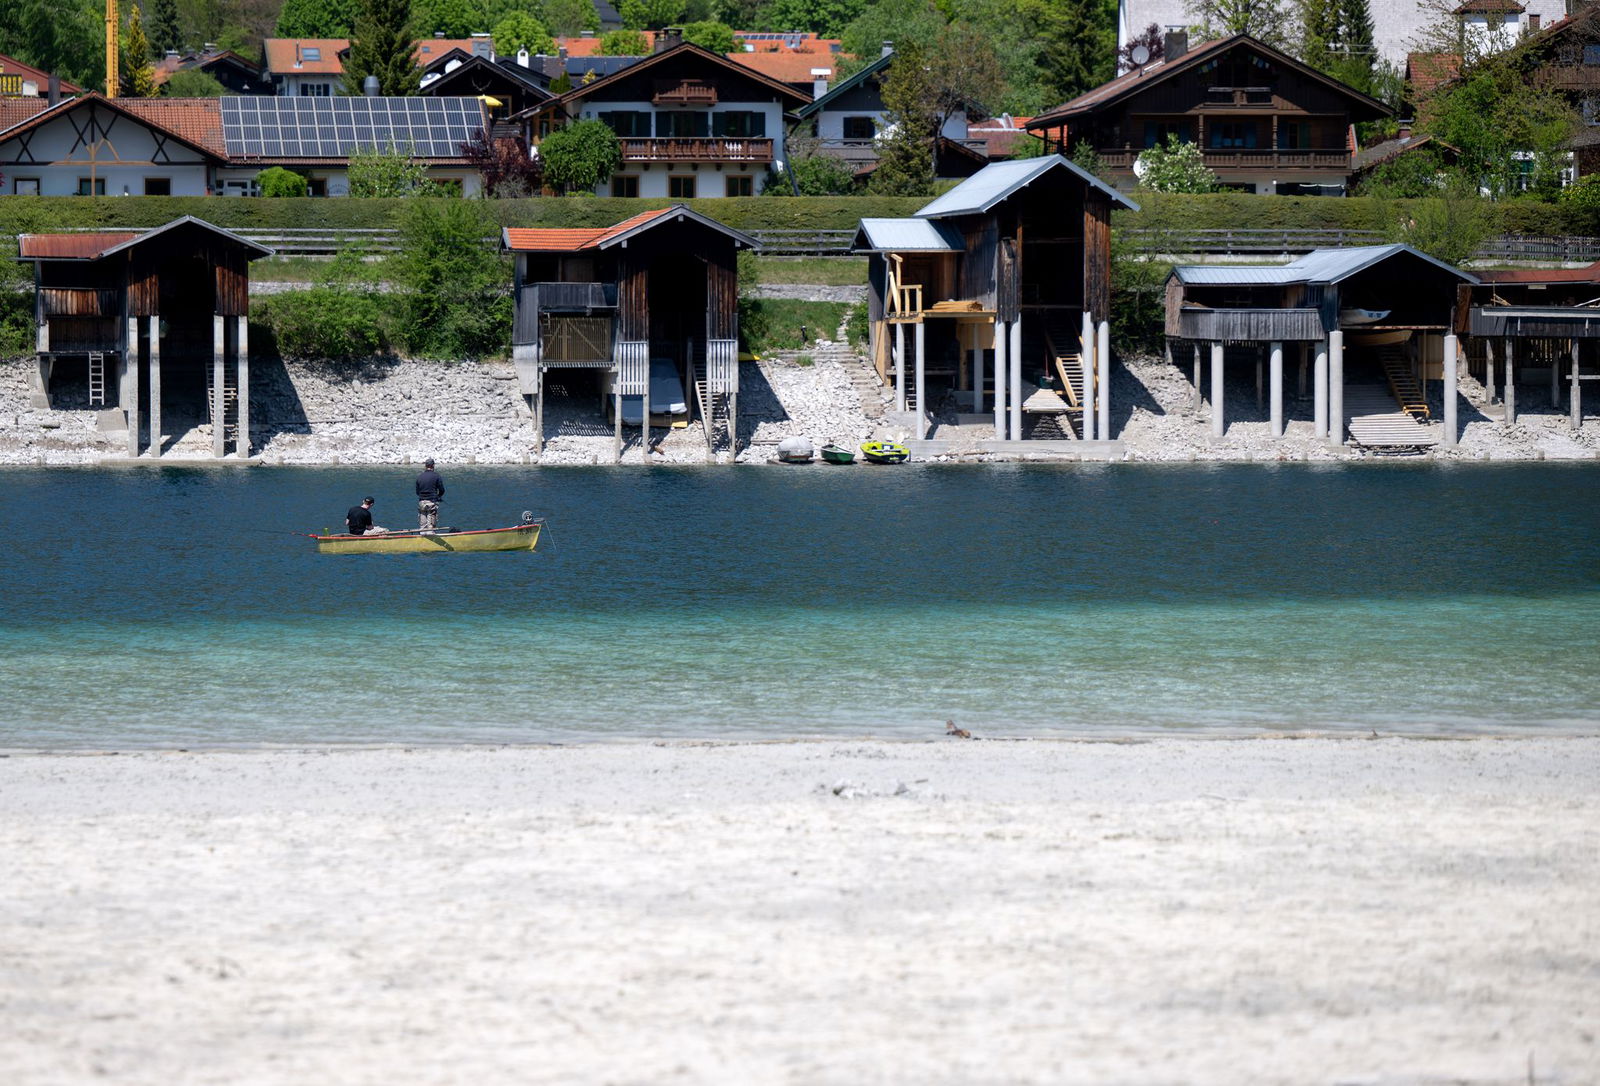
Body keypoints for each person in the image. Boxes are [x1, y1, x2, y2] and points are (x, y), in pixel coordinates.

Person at [415, 457, 445, 531]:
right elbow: (442, 490)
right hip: (431, 502)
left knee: (422, 525)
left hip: (422, 502)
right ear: (433, 466)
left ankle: (422, 536)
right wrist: (439, 496)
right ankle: (431, 537)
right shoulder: (436, 476)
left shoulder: (419, 477)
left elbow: (417, 492)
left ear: (425, 466)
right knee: (431, 526)